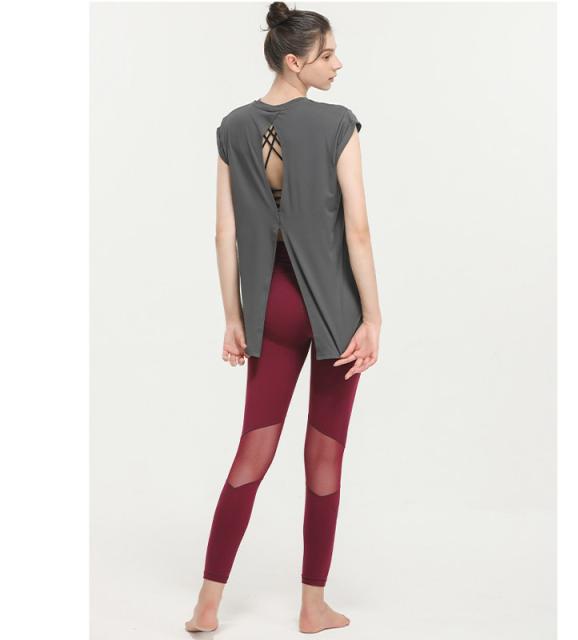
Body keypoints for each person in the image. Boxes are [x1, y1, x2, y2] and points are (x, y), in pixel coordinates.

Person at [185, 2, 381, 634]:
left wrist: (233, 316)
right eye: (328, 55)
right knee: (324, 457)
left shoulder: (232, 127)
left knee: (253, 449)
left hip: (269, 307)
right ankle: (312, 606)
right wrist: (373, 317)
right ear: (295, 62)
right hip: (334, 313)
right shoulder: (336, 124)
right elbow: (357, 230)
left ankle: (207, 605)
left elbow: (224, 233)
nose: (338, 64)